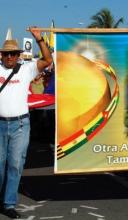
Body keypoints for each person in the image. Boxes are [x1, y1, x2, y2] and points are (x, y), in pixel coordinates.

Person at [0, 27, 52, 219]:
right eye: (6, 54)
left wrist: (39, 39)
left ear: (18, 55)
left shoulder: (26, 69)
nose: (10, 57)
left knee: (15, 164)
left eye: (13, 53)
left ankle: (8, 203)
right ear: (2, 55)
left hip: (20, 125)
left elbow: (47, 60)